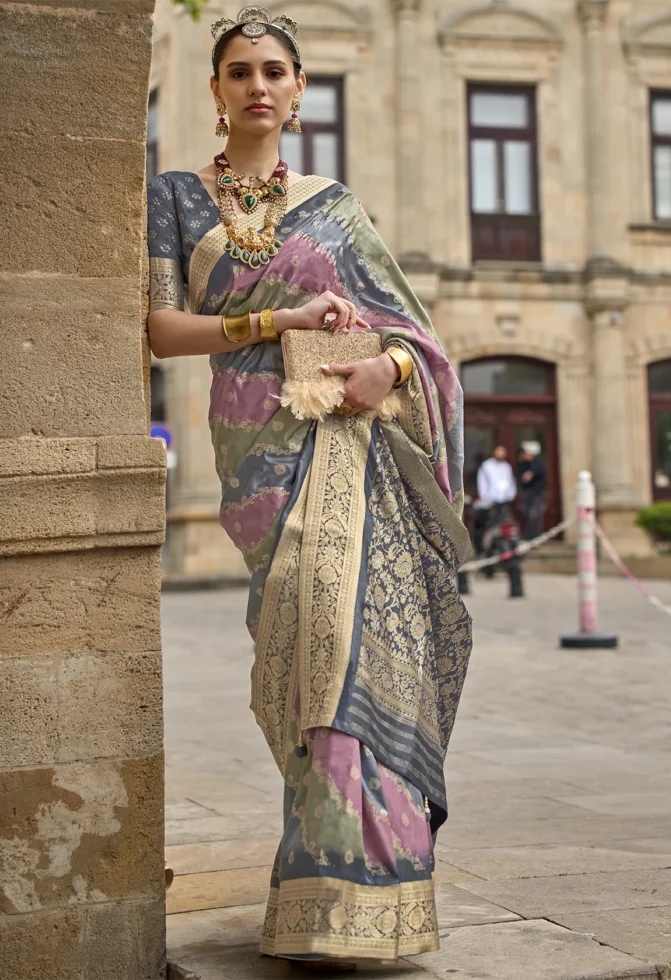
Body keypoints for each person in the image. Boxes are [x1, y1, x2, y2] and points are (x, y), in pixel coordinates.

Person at [146, 6, 473, 971]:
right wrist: (276, 320)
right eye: (239, 70)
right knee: (294, 656)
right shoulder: (175, 196)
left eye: (274, 71)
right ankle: (317, 887)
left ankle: (364, 893)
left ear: (298, 91)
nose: (257, 84)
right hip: (254, 459)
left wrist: (394, 375)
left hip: (344, 446)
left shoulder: (336, 206)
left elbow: (418, 337)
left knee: (345, 640)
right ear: (214, 91)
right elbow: (163, 332)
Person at [473, 446, 516, 555]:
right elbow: (482, 483)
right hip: (490, 502)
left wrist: (510, 495)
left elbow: (510, 481)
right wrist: (485, 496)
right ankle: (483, 550)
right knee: (487, 525)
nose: (501, 454)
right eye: (499, 452)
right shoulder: (487, 466)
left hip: (503, 501)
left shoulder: (506, 467)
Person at [517, 442, 547, 541]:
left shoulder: (538, 463)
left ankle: (535, 536)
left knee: (535, 515)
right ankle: (528, 536)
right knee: (527, 515)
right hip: (527, 493)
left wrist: (531, 473)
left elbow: (540, 472)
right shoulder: (524, 463)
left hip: (536, 494)